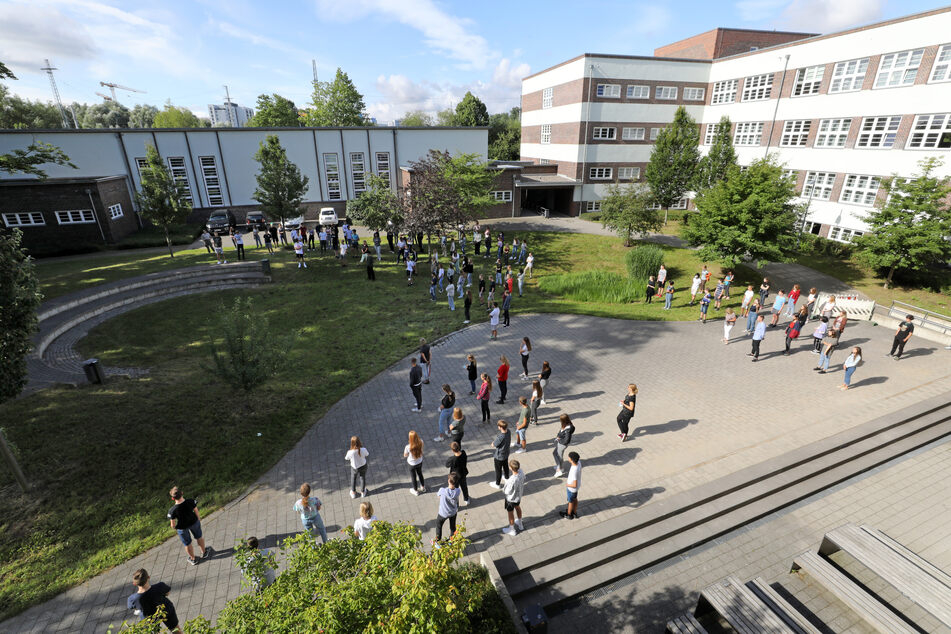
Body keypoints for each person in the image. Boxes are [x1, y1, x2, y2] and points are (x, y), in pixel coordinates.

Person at [127, 569, 181, 633]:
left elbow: (133, 607)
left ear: (134, 583)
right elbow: (167, 593)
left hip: (150, 619)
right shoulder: (160, 586)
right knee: (175, 629)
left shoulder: (132, 599)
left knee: (154, 631)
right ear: (148, 577)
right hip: (166, 610)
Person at [167, 486, 210, 566]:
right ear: (182, 493)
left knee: (187, 543)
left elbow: (172, 524)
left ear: (173, 498)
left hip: (182, 528)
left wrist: (175, 528)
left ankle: (193, 558)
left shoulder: (172, 510)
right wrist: (198, 519)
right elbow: (196, 510)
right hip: (194, 522)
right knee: (199, 537)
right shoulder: (190, 501)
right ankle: (204, 552)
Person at [433, 473, 461, 546]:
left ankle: (438, 542)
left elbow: (439, 496)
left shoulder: (442, 490)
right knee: (452, 527)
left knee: (439, 526)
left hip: (443, 513)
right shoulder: (458, 491)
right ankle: (451, 540)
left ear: (449, 480)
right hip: (453, 512)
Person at [501, 459, 525, 536]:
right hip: (518, 497)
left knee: (510, 513)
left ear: (511, 468)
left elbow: (506, 491)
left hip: (510, 499)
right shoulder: (521, 473)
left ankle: (511, 529)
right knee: (518, 507)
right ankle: (520, 524)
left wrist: (505, 481)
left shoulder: (512, 479)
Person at [490, 420, 512, 488]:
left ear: (500, 427)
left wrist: (493, 443)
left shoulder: (501, 437)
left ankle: (497, 484)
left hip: (499, 456)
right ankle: (507, 477)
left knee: (498, 470)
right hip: (506, 453)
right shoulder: (508, 431)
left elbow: (493, 445)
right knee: (505, 466)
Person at [560, 452, 582, 520]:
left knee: (570, 502)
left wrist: (568, 484)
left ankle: (569, 515)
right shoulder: (579, 463)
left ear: (572, 460)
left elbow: (574, 484)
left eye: (569, 457)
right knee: (575, 499)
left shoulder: (574, 470)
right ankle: (574, 512)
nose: (568, 458)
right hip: (576, 488)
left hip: (571, 489)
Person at [403, 430, 426, 495]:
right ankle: (423, 487)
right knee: (420, 473)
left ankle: (415, 490)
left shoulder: (408, 447)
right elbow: (422, 450)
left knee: (413, 477)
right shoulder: (421, 441)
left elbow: (405, 455)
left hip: (411, 464)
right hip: (419, 461)